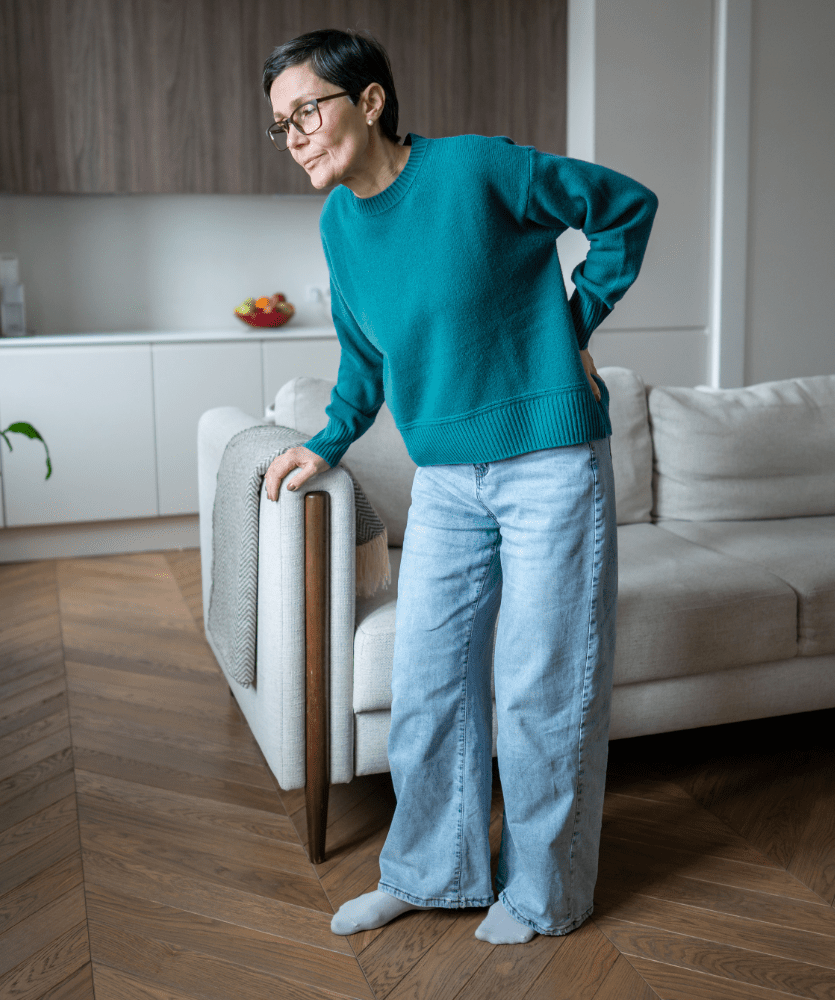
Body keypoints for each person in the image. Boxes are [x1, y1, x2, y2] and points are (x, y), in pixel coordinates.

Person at [259, 28, 657, 945]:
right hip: (444, 479)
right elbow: (364, 356)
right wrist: (326, 441)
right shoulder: (339, 225)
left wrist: (575, 323)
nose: (295, 137)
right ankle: (430, 872)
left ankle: (543, 895)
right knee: (428, 682)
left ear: (369, 101)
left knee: (542, 686)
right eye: (281, 125)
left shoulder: (477, 169)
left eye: (307, 110)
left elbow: (625, 209)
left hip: (550, 464)